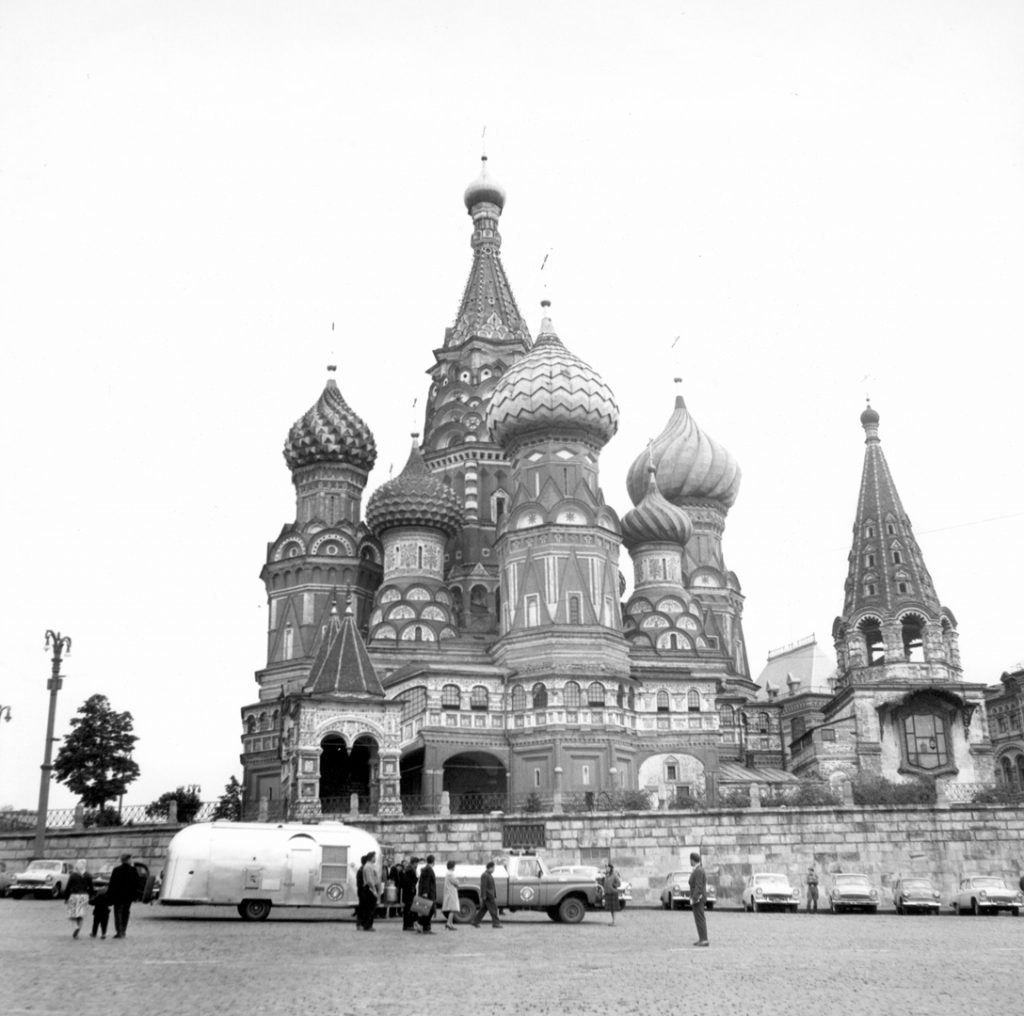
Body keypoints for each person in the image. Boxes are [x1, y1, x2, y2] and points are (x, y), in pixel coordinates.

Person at [106, 853, 140, 939]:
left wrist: (109, 896)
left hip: (118, 896)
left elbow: (112, 884)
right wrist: (136, 895)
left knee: (118, 913)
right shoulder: (133, 870)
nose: (132, 860)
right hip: (128, 896)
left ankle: (119, 931)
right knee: (126, 913)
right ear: (128, 860)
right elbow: (137, 884)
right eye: (131, 859)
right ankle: (123, 930)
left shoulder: (117, 870)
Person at [64, 859, 93, 939]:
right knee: (80, 915)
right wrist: (90, 897)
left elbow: (68, 887)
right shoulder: (88, 875)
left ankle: (76, 926)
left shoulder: (73, 875)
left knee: (72, 915)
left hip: (74, 895)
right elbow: (91, 888)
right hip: (84, 896)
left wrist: (66, 898)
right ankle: (78, 930)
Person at [470, 860, 502, 928]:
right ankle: (496, 923)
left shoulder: (488, 875)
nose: (494, 870)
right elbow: (483, 886)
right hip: (488, 896)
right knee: (493, 909)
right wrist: (484, 896)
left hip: (489, 895)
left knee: (483, 910)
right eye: (493, 868)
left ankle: (475, 922)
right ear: (490, 867)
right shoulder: (485, 875)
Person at [688, 852, 709, 947]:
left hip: (698, 899)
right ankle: (701, 938)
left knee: (700, 919)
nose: (690, 862)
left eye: (690, 860)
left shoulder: (699, 871)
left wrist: (694, 898)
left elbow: (698, 886)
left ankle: (704, 939)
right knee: (698, 919)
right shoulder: (697, 870)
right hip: (697, 898)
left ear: (692, 860)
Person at [359, 851, 381, 931]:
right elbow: (369, 880)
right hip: (369, 888)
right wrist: (374, 890)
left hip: (371, 888)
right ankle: (368, 925)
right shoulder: (368, 867)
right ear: (371, 858)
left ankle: (368, 924)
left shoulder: (371, 866)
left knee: (371, 908)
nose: (375, 858)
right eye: (374, 857)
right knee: (370, 908)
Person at [416, 854, 437, 934]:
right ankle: (423, 925)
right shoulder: (428, 869)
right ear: (433, 861)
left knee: (427, 910)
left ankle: (425, 927)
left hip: (428, 893)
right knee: (429, 910)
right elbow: (426, 882)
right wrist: (425, 892)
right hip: (428, 893)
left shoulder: (427, 869)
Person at [401, 857, 420, 931]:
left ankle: (407, 925)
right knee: (409, 909)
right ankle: (408, 925)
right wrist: (416, 879)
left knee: (408, 909)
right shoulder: (410, 870)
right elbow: (410, 881)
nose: (417, 865)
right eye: (417, 863)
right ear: (414, 863)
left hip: (408, 892)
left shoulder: (409, 869)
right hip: (409, 893)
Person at [442, 859, 460, 930]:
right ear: (452, 866)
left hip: (450, 892)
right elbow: (456, 882)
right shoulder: (450, 874)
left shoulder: (448, 873)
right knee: (453, 909)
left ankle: (450, 923)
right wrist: (457, 882)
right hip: (451, 893)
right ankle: (449, 923)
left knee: (452, 909)